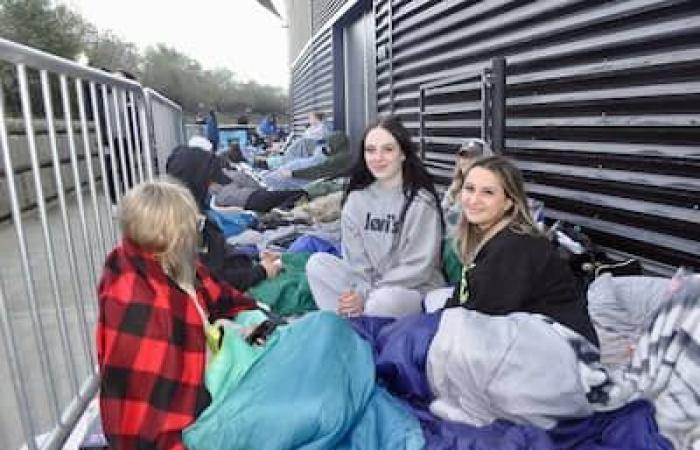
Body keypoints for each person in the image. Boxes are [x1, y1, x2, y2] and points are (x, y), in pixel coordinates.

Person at [96, 180, 258, 449]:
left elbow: (225, 298)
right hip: (187, 424)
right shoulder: (143, 302)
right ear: (171, 237)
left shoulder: (163, 265)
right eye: (191, 227)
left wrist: (246, 324)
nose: (196, 233)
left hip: (205, 395)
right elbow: (154, 414)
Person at [443, 155, 598, 345]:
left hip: (560, 350)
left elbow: (482, 321)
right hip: (523, 337)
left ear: (509, 202)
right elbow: (462, 299)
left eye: (488, 192)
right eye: (469, 189)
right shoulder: (491, 236)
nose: (474, 200)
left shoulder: (516, 246)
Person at [306, 115, 445, 317]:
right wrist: (360, 292)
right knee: (317, 264)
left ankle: (361, 322)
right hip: (369, 287)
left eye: (388, 149)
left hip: (411, 290)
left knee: (382, 302)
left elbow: (418, 268)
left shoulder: (421, 202)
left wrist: (367, 294)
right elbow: (356, 262)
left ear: (403, 153)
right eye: (371, 150)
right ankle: (349, 326)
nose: (378, 158)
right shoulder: (356, 199)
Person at [441, 138, 487, 232]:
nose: (467, 161)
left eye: (472, 157)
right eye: (464, 156)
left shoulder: (487, 190)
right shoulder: (454, 188)